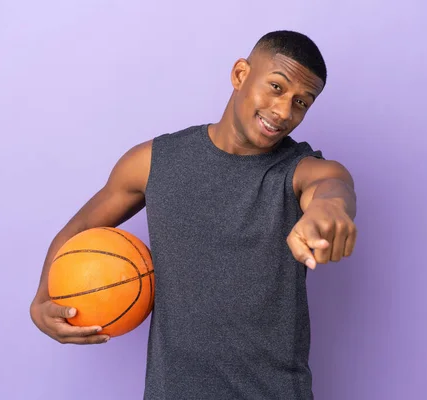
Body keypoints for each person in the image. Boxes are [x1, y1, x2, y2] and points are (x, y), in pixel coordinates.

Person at [30, 30, 357, 399]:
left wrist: (330, 207)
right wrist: (43, 299)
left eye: (301, 102)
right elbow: (83, 227)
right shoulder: (154, 162)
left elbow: (332, 182)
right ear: (239, 75)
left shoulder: (295, 170)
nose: (283, 112)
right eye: (277, 87)